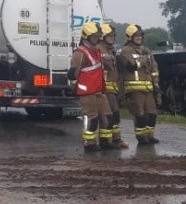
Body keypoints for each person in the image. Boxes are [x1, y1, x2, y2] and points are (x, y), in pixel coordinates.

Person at [67, 21, 112, 152]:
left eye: (98, 36)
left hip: (98, 90)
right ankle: (90, 143)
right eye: (94, 36)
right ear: (86, 36)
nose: (97, 39)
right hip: (87, 92)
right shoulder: (80, 53)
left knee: (107, 116)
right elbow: (73, 75)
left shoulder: (96, 51)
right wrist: (75, 89)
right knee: (92, 118)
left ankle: (105, 141)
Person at [116, 24, 162, 145]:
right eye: (136, 36)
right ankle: (141, 138)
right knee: (140, 114)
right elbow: (131, 66)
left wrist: (156, 84)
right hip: (134, 89)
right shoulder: (125, 51)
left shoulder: (147, 50)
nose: (139, 38)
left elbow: (154, 68)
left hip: (148, 88)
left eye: (140, 35)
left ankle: (150, 135)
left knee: (152, 113)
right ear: (130, 37)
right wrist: (143, 60)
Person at [97, 22, 129, 149]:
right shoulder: (99, 49)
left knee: (115, 114)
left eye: (113, 36)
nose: (112, 38)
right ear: (102, 37)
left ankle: (115, 139)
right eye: (109, 36)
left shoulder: (112, 50)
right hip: (105, 89)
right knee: (109, 114)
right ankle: (106, 141)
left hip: (113, 88)